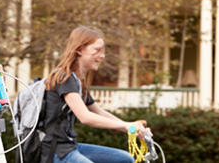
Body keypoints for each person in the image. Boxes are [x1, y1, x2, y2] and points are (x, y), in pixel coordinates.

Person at [42, 26, 153, 163]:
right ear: (79, 50)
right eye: (97, 51)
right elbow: (85, 117)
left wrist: (130, 127)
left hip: (69, 146)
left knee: (125, 159)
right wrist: (125, 126)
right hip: (54, 152)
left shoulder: (79, 82)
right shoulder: (64, 77)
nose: (102, 56)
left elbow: (100, 112)